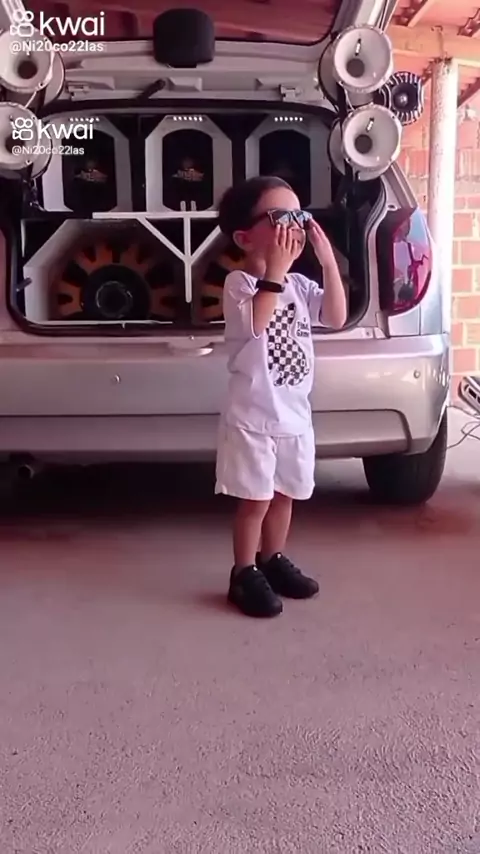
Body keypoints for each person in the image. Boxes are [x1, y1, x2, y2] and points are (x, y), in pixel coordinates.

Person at [215, 175, 348, 618]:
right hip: (253, 418)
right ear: (244, 237)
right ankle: (243, 571)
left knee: (285, 494)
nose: (293, 225)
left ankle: (272, 559)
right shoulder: (239, 284)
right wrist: (273, 271)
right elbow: (255, 324)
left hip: (293, 415)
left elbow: (336, 316)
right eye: (279, 216)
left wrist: (327, 262)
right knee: (256, 499)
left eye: (299, 215)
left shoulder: (299, 286)